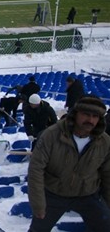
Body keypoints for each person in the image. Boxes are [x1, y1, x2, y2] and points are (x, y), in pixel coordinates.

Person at [27, 96, 110, 232]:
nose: (90, 120)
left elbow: (107, 174)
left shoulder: (105, 142)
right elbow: (36, 170)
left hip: (87, 194)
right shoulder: (52, 135)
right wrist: (38, 204)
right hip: (54, 193)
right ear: (75, 114)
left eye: (95, 116)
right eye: (86, 114)